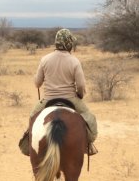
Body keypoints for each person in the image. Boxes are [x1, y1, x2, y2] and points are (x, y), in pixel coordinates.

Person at [18, 28, 98, 156]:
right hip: (71, 99)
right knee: (89, 118)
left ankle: (30, 145)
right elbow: (81, 85)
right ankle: (88, 145)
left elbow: (37, 83)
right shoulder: (74, 61)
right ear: (68, 44)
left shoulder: (44, 59)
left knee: (33, 116)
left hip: (48, 99)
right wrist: (80, 95)